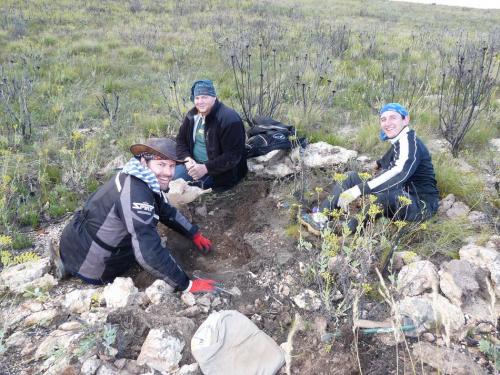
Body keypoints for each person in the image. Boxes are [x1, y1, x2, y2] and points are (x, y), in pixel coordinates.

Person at [55, 138, 217, 293]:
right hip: (93, 265)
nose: (168, 172)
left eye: (172, 166)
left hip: (73, 241)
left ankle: (66, 263)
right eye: (161, 164)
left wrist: (193, 233)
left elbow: (165, 210)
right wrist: (186, 285)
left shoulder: (138, 176)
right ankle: (72, 269)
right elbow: (149, 252)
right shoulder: (135, 194)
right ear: (144, 162)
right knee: (152, 245)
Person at [304, 103, 439, 233]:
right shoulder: (401, 139)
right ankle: (321, 217)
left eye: (393, 117)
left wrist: (358, 190)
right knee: (351, 176)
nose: (387, 123)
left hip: (421, 204)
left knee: (384, 196)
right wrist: (375, 166)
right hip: (401, 192)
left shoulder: (409, 142)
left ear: (405, 119)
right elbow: (385, 160)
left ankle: (345, 230)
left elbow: (399, 172)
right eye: (383, 119)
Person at [174, 79, 247, 191]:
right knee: (165, 176)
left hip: (218, 173)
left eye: (204, 97)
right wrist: (187, 159)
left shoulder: (229, 119)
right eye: (197, 98)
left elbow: (233, 156)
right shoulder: (192, 115)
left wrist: (205, 168)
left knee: (178, 186)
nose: (200, 102)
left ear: (214, 97)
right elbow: (181, 140)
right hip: (193, 165)